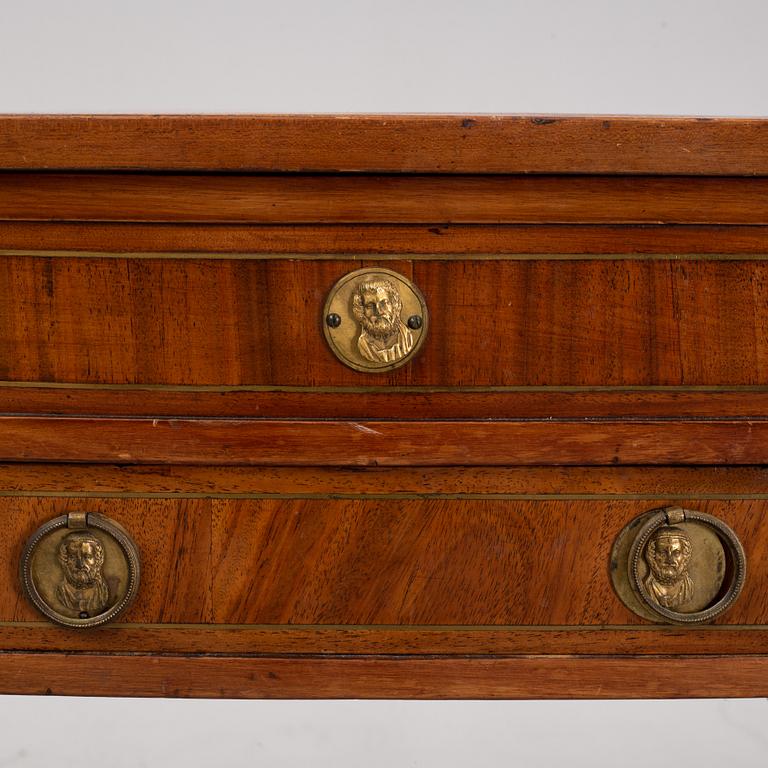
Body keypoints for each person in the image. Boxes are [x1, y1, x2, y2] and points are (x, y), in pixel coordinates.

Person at [351, 279, 413, 363]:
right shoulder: (363, 346)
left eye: (384, 303)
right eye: (370, 306)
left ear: (394, 305)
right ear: (361, 311)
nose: (379, 311)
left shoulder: (407, 338)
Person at [56, 531, 110, 617]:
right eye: (73, 557)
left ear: (98, 560)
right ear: (64, 561)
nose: (80, 565)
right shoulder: (62, 593)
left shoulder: (102, 593)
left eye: (87, 557)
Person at [644, 526, 694, 609]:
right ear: (652, 556)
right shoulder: (645, 589)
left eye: (676, 553)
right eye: (663, 553)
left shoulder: (688, 588)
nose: (669, 560)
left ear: (685, 556)